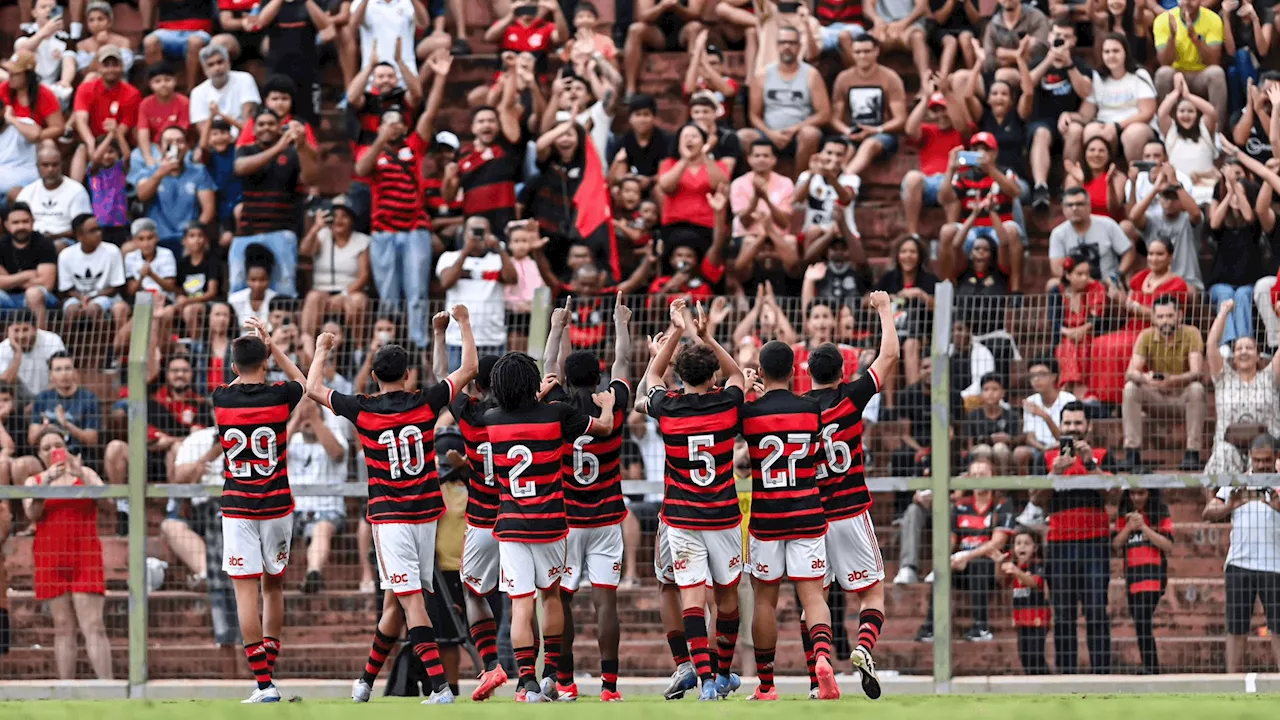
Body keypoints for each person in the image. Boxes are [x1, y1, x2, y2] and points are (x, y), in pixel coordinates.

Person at [309, 304, 477, 704]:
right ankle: (365, 682)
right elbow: (469, 368)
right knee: (396, 601)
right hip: (425, 516)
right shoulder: (425, 402)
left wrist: (321, 349)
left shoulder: (361, 409)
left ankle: (439, 688)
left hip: (391, 518)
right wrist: (463, 324)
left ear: (372, 377)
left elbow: (313, 388)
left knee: (412, 600)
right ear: (408, 376)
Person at [483, 350, 615, 702]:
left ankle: (525, 681)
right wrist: (607, 407)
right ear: (532, 383)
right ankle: (553, 674)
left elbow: (516, 409)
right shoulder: (557, 414)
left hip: (512, 525)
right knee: (551, 596)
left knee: (521, 604)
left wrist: (532, 395)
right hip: (552, 523)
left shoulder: (492, 419)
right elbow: (604, 428)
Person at [642, 298, 745, 701]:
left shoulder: (667, 408)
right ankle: (721, 673)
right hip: (722, 514)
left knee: (690, 595)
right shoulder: (727, 403)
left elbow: (651, 373)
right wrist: (705, 335)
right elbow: (736, 372)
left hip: (682, 516)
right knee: (727, 595)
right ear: (713, 375)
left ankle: (703, 681)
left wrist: (677, 334)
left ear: (677, 377)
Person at [804, 290, 896, 698]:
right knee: (872, 590)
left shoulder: (796, 409)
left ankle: (821, 662)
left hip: (811, 516)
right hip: (851, 510)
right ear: (842, 372)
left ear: (807, 374)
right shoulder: (850, 397)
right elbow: (889, 357)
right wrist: (885, 310)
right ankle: (862, 647)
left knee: (816, 599)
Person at [211, 318, 308, 703]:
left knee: (244, 592)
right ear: (266, 363)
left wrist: (252, 359)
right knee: (273, 586)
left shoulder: (221, 397)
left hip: (238, 505)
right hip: (277, 504)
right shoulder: (280, 396)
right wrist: (273, 347)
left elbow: (240, 379)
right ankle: (268, 673)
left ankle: (264, 684)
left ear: (233, 368)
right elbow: (302, 380)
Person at [540, 294, 632, 702]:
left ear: (566, 379)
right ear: (597, 380)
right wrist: (620, 323)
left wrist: (558, 326)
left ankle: (566, 681)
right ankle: (610, 687)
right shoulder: (610, 403)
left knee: (563, 600)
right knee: (604, 603)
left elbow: (547, 369)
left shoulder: (556, 407)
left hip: (566, 520)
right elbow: (624, 365)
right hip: (607, 517)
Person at [740, 341, 839, 701]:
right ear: (796, 370)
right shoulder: (812, 409)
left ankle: (766, 685)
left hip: (767, 517)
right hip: (808, 511)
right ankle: (823, 661)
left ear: (761, 372)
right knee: (812, 596)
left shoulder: (749, 414)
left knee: (765, 601)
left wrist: (751, 392)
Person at [22, 429, 113, 680]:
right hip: (50, 558)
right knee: (62, 628)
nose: (53, 451)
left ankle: (109, 691)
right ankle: (66, 692)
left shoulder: (86, 474)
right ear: (39, 455)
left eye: (57, 445)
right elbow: (32, 514)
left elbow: (109, 505)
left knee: (93, 625)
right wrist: (47, 481)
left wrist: (81, 474)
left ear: (67, 446)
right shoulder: (34, 481)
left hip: (85, 555)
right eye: (46, 448)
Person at [1032, 400, 1115, 674]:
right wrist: (1054, 473)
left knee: (1096, 612)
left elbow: (1113, 496)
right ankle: (1065, 679)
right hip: (1059, 544)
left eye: (1078, 423)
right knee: (1064, 614)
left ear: (1088, 426)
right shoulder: (1046, 458)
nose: (1072, 428)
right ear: (1061, 427)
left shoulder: (1102, 455)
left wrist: (1090, 463)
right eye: (1067, 423)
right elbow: (1036, 499)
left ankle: (1101, 676)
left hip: (1095, 543)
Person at [1202, 434, 1280, 673]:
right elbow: (1208, 511)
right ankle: (1231, 683)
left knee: (1278, 627)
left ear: (1276, 458)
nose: (1262, 465)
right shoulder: (1236, 481)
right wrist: (1229, 505)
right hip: (1239, 563)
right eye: (1257, 460)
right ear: (1250, 459)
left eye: (1267, 460)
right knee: (1236, 627)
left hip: (1275, 565)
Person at [914, 459, 1014, 643]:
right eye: (974, 475)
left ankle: (981, 627)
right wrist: (947, 558)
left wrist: (968, 556)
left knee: (978, 564)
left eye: (982, 474)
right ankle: (931, 628)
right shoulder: (961, 505)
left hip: (990, 567)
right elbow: (951, 539)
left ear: (993, 477)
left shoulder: (1002, 504)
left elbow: (998, 542)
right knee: (943, 569)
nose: (977, 479)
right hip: (962, 564)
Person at [231, 109, 320, 297]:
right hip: (247, 232)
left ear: (280, 127)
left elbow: (310, 179)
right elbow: (240, 168)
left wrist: (302, 145)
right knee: (238, 289)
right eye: (261, 124)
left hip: (282, 232)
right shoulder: (246, 150)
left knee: (284, 291)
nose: (266, 128)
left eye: (271, 124)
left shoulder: (293, 154)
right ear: (254, 130)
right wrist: (279, 147)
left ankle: (281, 327)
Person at [1122, 295, 1207, 471]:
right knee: (1130, 388)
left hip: (1182, 398)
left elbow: (1197, 372)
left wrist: (1172, 380)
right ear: (1153, 318)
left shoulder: (1191, 333)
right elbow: (1130, 372)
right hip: (1156, 396)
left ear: (1180, 316)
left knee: (1197, 389)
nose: (1165, 321)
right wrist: (1146, 378)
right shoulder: (1146, 336)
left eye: (1169, 316)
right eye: (1160, 317)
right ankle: (1132, 452)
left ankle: (1193, 453)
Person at [1205, 300, 1280, 474]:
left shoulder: (1269, 377)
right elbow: (1211, 345)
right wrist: (1224, 312)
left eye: (1249, 348)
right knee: (1223, 454)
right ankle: (1219, 500)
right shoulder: (1224, 378)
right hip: (1230, 450)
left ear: (1258, 355)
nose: (1244, 352)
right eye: (1239, 349)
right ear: (1233, 356)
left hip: (1265, 450)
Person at [742, 26, 830, 173]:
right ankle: (753, 183)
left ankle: (800, 186)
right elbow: (754, 115)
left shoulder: (811, 74)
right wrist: (770, 133)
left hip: (798, 133)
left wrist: (796, 128)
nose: (787, 47)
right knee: (744, 136)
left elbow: (824, 114)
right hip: (768, 133)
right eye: (783, 42)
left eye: (792, 43)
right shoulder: (762, 75)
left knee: (810, 134)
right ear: (777, 46)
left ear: (799, 46)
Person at [285, 398, 350, 594]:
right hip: (292, 510)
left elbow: (337, 453)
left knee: (321, 530)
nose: (308, 419)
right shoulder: (292, 440)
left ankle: (313, 573)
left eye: (313, 416)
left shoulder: (334, 436)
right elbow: (272, 452)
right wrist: (297, 418)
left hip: (326, 509)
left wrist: (314, 418)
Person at [436, 216, 518, 369]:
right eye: (473, 231)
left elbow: (512, 278)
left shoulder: (497, 259)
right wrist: (466, 250)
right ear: (464, 233)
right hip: (457, 339)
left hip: (492, 338)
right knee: (458, 389)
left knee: (494, 388)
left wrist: (499, 248)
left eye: (482, 232)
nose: (477, 236)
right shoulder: (449, 257)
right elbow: (446, 281)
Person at [1113, 488, 1174, 674]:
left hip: (1154, 576)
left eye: (1141, 493)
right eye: (1133, 494)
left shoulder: (1159, 513)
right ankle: (1149, 665)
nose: (1137, 498)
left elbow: (1168, 545)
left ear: (1150, 493)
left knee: (1142, 619)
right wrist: (1129, 527)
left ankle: (1151, 667)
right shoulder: (1125, 516)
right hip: (1133, 576)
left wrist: (1144, 527)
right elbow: (1116, 545)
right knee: (1140, 622)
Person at [830, 34, 907, 180]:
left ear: (876, 51)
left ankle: (844, 180)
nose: (862, 56)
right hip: (853, 131)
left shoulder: (890, 77)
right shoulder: (843, 78)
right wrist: (847, 131)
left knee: (869, 145)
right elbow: (835, 118)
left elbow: (900, 118)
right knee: (840, 148)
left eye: (866, 51)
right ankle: (827, 184)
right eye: (858, 52)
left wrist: (875, 129)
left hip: (882, 133)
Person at [136, 125, 216, 256]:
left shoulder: (199, 172)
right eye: (168, 142)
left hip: (187, 239)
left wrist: (193, 236)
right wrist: (160, 173)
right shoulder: (149, 171)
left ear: (187, 146)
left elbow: (208, 210)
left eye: (179, 141)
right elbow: (142, 196)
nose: (175, 146)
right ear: (160, 147)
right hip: (157, 240)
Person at [1153, 0, 1228, 125]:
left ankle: (1216, 132)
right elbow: (1164, 62)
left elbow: (1213, 61)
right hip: (1177, 75)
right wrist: (1172, 36)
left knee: (1217, 73)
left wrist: (1195, 39)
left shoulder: (1213, 19)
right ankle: (1166, 129)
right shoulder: (1163, 20)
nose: (1187, 2)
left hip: (1201, 75)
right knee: (1163, 73)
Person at [623, 0, 707, 98]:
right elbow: (644, 16)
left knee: (695, 27)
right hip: (658, 33)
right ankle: (630, 88)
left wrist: (677, 7)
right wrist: (662, 6)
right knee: (635, 30)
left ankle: (696, 82)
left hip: (684, 32)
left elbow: (696, 14)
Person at [0, 203, 59, 329]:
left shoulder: (44, 243)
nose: (21, 226)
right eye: (15, 222)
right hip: (9, 298)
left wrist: (10, 280)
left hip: (42, 298)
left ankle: (41, 337)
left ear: (32, 221)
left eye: (25, 221)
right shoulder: (1, 245)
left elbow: (47, 284)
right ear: (7, 225)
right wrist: (26, 275)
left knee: (33, 293)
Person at [17, 146, 92, 245]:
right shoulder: (28, 191)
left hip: (65, 240)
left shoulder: (76, 190)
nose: (50, 169)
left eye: (55, 165)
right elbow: (17, 220)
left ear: (62, 165)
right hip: (32, 240)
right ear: (37, 167)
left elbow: (83, 227)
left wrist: (55, 236)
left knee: (57, 245)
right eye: (45, 165)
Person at [190, 45, 262, 145]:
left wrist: (220, 114)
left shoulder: (244, 79)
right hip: (216, 145)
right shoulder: (197, 92)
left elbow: (248, 126)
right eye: (211, 65)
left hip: (244, 140)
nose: (217, 68)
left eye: (220, 62)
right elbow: (204, 135)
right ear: (204, 69)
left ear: (228, 62)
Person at [1001, 528, 1050, 675]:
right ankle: (1032, 685)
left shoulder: (1038, 565)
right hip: (1021, 619)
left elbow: (1034, 583)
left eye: (1027, 543)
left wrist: (1016, 571)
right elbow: (1000, 580)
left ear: (1035, 548)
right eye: (1018, 543)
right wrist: (999, 563)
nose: (1022, 547)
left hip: (1038, 618)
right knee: (1024, 656)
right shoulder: (1016, 567)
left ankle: (1046, 683)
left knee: (1035, 655)